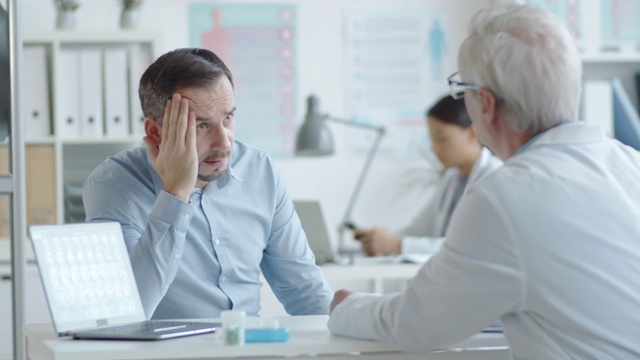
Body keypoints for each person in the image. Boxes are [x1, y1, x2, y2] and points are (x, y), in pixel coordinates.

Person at [327, 4, 640, 358]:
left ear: (486, 104)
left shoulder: (504, 197)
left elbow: (416, 325)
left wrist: (346, 307)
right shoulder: (631, 165)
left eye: (463, 90)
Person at [82, 48, 333, 320]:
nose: (224, 142)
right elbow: (129, 310)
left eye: (228, 118)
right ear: (156, 132)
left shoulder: (261, 172)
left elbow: (305, 291)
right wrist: (175, 193)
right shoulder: (114, 185)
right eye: (201, 126)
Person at [353, 95, 501, 257]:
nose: (434, 148)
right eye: (432, 139)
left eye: (442, 138)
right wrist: (380, 240)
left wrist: (398, 245)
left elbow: (468, 246)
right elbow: (419, 229)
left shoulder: (495, 178)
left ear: (472, 133)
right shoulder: (451, 180)